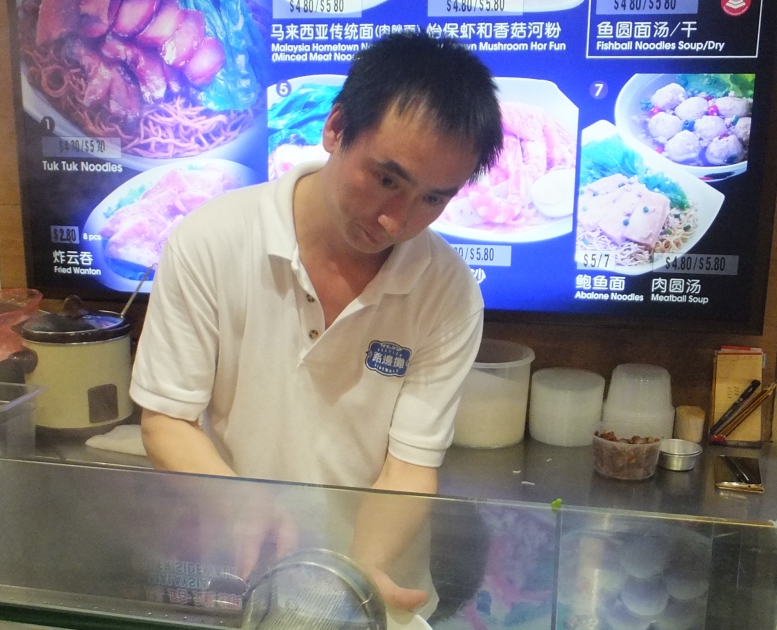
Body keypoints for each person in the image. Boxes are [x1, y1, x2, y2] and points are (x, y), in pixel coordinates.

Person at [131, 33, 503, 495]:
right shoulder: (212, 239)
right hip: (234, 531)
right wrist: (244, 515)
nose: (396, 221)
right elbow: (167, 422)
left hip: (369, 539)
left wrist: (365, 549)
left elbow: (407, 470)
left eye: (432, 199)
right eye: (387, 180)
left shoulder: (447, 290)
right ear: (336, 127)